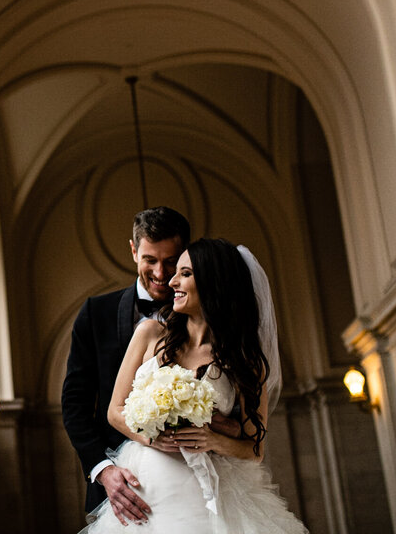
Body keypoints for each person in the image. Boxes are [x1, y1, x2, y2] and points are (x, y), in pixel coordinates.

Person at [83, 238, 307, 533]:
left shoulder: (244, 361)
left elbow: (255, 449)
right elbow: (114, 411)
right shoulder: (150, 334)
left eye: (185, 273)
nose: (172, 280)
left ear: (215, 282)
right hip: (148, 496)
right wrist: (153, 438)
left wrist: (213, 440)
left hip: (209, 500)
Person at [62, 207, 191, 523]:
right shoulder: (96, 313)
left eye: (171, 260)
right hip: (118, 491)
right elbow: (75, 404)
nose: (161, 273)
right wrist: (103, 470)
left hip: (191, 484)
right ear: (134, 251)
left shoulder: (203, 316)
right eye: (150, 260)